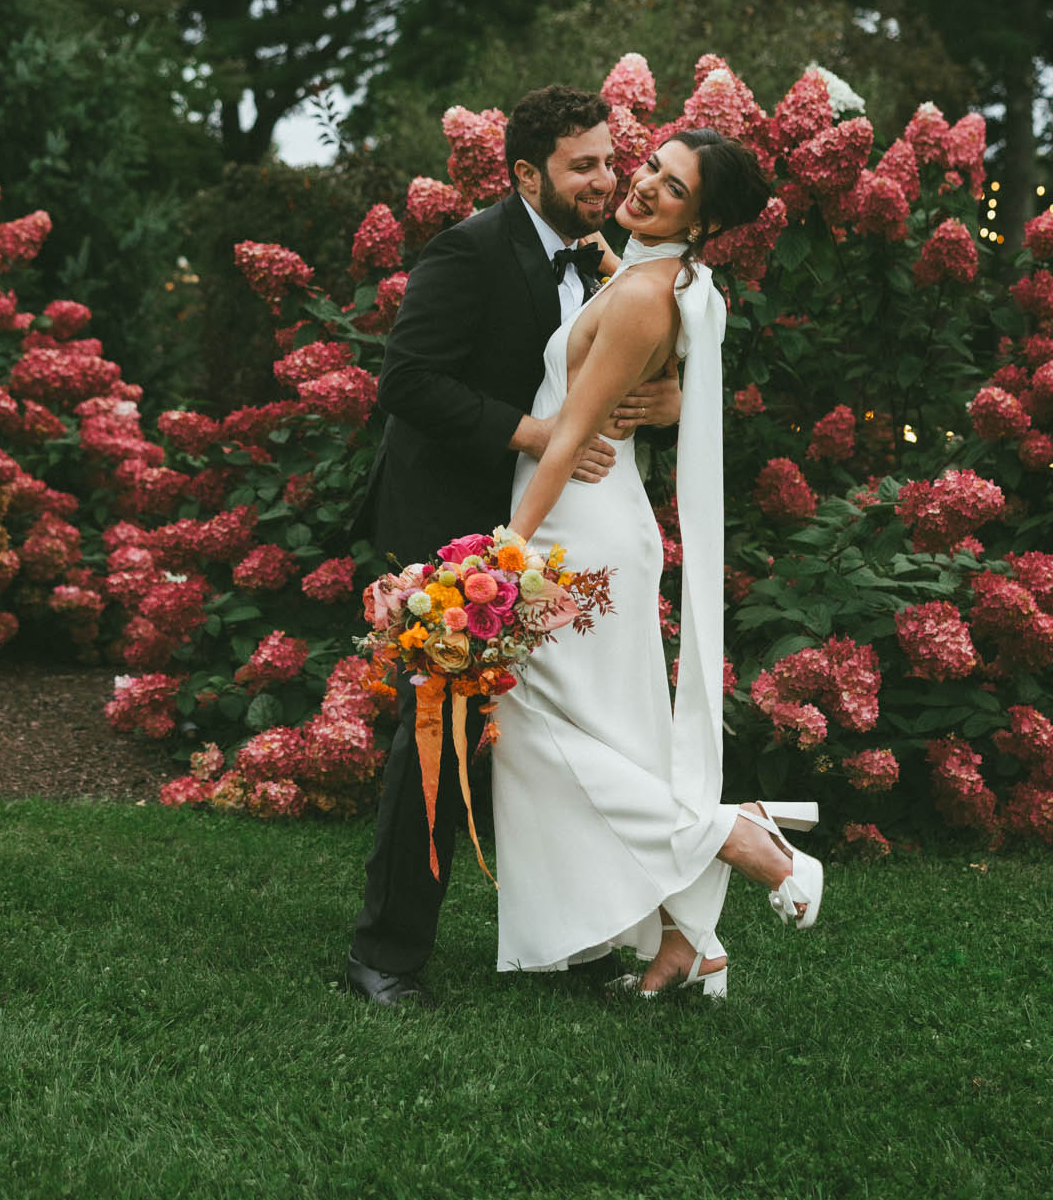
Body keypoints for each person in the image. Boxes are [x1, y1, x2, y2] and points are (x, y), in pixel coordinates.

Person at [343, 85, 681, 1009]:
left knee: (567, 735)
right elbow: (407, 379)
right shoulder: (469, 250)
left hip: (549, 537)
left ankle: (578, 935)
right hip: (450, 524)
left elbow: (633, 364)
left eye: (613, 161)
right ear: (527, 172)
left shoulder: (611, 261)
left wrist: (663, 402)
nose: (607, 179)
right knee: (436, 742)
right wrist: (536, 434)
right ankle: (385, 955)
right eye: (585, 165)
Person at [493, 129, 824, 998]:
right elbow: (645, 360)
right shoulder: (661, 279)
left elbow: (568, 435)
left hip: (574, 532)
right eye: (650, 167)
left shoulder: (647, 294)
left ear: (703, 219)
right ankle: (689, 943)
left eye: (670, 188)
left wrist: (504, 550)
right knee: (612, 738)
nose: (640, 186)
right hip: (596, 526)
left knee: (529, 722)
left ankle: (739, 841)